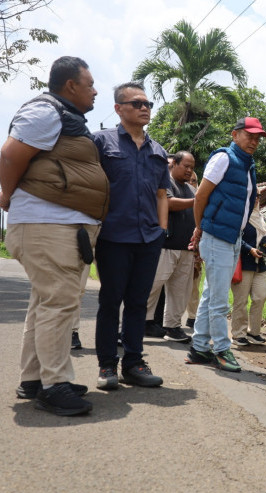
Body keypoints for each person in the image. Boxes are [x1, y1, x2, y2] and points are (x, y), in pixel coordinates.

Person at [0, 56, 108, 415]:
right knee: (59, 304)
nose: (95, 91)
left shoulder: (65, 117)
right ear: (70, 85)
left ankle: (34, 379)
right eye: (90, 84)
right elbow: (9, 155)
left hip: (60, 228)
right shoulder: (47, 111)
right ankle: (54, 384)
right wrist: (8, 196)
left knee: (46, 303)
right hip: (47, 226)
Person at [93, 81, 169, 390]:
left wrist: (162, 231)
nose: (144, 108)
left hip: (148, 238)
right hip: (112, 236)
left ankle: (134, 363)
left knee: (139, 303)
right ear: (118, 108)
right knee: (111, 301)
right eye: (136, 103)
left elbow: (162, 194)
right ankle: (107, 366)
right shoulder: (101, 142)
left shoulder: (158, 151)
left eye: (148, 104)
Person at [185, 117, 266, 372]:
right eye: (249, 135)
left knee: (211, 295)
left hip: (232, 239)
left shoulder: (248, 165)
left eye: (257, 138)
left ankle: (199, 348)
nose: (254, 141)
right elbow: (201, 197)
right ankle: (221, 349)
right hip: (217, 236)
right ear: (234, 135)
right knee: (219, 300)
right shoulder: (224, 158)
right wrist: (201, 227)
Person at [145, 151, 197, 343]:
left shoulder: (191, 190)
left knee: (180, 291)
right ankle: (131, 323)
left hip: (186, 249)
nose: (190, 171)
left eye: (192, 167)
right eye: (186, 166)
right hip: (165, 247)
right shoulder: (164, 183)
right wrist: (197, 201)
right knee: (151, 286)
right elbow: (168, 203)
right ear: (174, 164)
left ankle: (173, 327)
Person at [230, 199, 266, 346]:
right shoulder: (240, 215)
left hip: (260, 265)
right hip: (243, 264)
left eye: (259, 196)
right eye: (254, 194)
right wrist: (249, 249)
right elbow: (234, 238)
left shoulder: (260, 217)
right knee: (241, 300)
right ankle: (238, 334)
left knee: (260, 297)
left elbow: (262, 240)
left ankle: (254, 332)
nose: (256, 198)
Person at [185, 170, 201, 329]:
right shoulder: (175, 194)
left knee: (194, 285)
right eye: (189, 181)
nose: (192, 184)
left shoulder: (202, 201)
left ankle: (192, 316)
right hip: (173, 247)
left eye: (194, 181)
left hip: (195, 250)